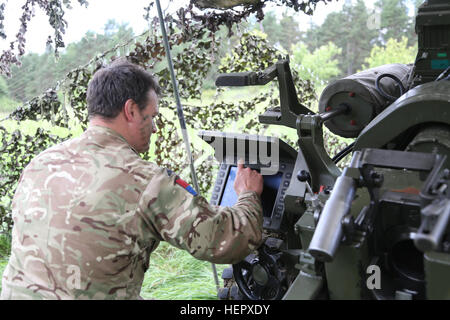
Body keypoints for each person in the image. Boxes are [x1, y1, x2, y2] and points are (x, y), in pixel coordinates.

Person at [1, 59, 264, 300]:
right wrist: (248, 195)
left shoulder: (41, 162)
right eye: (152, 116)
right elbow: (226, 241)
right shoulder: (144, 180)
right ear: (130, 110)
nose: (154, 127)